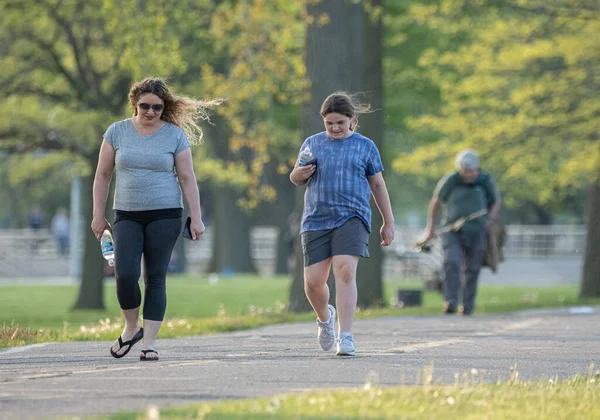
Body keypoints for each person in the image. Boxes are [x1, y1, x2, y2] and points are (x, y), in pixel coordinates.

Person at [91, 77, 220, 361]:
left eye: (157, 107)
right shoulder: (117, 132)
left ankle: (149, 343)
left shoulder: (174, 135)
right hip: (126, 214)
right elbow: (102, 175)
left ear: (165, 108)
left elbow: (187, 177)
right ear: (134, 105)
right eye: (144, 106)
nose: (150, 112)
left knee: (155, 277)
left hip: (166, 214)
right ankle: (131, 327)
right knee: (124, 274)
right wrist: (97, 216)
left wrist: (196, 217)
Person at [289, 92, 395, 356]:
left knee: (345, 270)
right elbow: (296, 177)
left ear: (351, 120)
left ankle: (345, 335)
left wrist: (388, 222)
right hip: (316, 218)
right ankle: (325, 319)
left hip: (352, 217)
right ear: (323, 121)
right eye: (330, 123)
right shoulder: (312, 144)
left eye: (340, 123)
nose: (335, 128)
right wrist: (297, 174)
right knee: (313, 282)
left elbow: (378, 185)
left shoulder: (365, 146)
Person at [424, 149, 501, 316]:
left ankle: (467, 305)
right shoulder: (451, 180)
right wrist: (430, 228)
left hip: (478, 230)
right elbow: (436, 202)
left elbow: (495, 201)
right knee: (452, 260)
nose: (470, 175)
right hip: (452, 230)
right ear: (459, 168)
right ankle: (450, 301)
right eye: (466, 171)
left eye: (473, 171)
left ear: (477, 168)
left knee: (473, 267)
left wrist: (489, 220)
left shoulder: (484, 180)